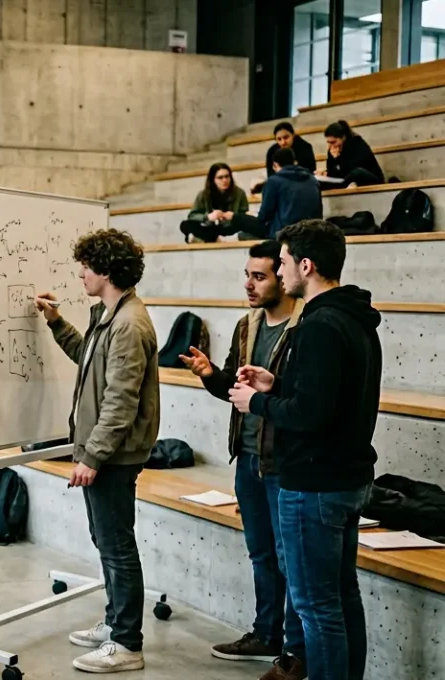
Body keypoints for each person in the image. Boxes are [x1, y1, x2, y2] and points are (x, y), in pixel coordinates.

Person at [229, 220, 380, 680]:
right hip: (346, 480)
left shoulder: (317, 325)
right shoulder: (354, 319)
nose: (282, 269)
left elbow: (311, 416)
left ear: (306, 265)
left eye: (286, 261)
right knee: (341, 598)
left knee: (318, 610)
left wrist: (256, 402)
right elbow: (329, 397)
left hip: (314, 485)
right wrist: (279, 384)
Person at [178, 241, 307, 678]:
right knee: (261, 553)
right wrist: (211, 375)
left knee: (290, 558)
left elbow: (299, 400)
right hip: (247, 457)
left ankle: (293, 650)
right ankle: (266, 632)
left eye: (260, 276)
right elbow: (236, 392)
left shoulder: (305, 326)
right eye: (247, 275)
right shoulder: (246, 325)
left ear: (283, 277)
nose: (249, 285)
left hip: (284, 462)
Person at [34, 228, 159, 674]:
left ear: (106, 269)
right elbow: (87, 358)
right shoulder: (110, 315)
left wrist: (91, 457)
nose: (80, 272)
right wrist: (54, 322)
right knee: (107, 543)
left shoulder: (127, 324)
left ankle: (127, 643)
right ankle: (114, 623)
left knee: (117, 547)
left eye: (86, 265)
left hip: (114, 454)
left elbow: (120, 401)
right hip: (106, 450)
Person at [180, 163, 263, 243]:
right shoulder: (203, 194)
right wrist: (208, 217)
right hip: (212, 227)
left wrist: (233, 216)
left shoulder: (239, 193)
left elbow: (244, 216)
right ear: (213, 180)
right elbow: (192, 215)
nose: (225, 180)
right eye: (220, 178)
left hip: (231, 227)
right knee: (185, 225)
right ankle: (214, 238)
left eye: (227, 176)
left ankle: (205, 239)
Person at [256, 147, 323, 239]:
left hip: (285, 234)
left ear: (275, 165)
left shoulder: (274, 181)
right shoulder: (312, 179)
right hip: (311, 232)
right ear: (295, 162)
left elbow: (264, 215)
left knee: (243, 233)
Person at [252, 122, 318, 193]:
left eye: (286, 137)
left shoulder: (305, 147)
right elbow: (271, 175)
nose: (283, 142)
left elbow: (309, 172)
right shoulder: (272, 152)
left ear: (293, 135)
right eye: (279, 139)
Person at [320, 120, 383, 190]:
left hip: (367, 178)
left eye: (333, 142)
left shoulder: (357, 143)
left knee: (357, 173)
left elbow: (353, 169)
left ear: (343, 138)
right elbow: (333, 175)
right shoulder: (332, 149)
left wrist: (338, 159)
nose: (330, 145)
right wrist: (334, 161)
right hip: (344, 181)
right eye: (328, 142)